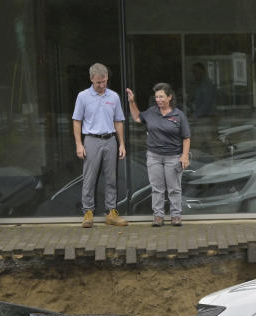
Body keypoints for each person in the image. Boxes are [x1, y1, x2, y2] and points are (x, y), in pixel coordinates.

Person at [126, 83, 191, 226]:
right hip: (154, 156)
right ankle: (158, 216)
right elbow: (137, 118)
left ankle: (176, 216)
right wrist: (132, 101)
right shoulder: (151, 112)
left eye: (161, 96)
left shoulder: (179, 115)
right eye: (156, 97)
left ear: (169, 97)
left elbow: (186, 138)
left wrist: (184, 156)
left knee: (174, 188)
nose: (158, 99)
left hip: (173, 157)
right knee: (157, 188)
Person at [72, 63, 127, 228]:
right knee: (89, 177)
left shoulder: (114, 97)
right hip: (91, 139)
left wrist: (122, 144)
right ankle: (88, 212)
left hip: (110, 140)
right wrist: (79, 144)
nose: (102, 85)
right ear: (91, 79)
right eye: (98, 83)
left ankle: (111, 212)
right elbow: (77, 121)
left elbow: (118, 121)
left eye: (104, 82)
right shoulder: (83, 96)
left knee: (111, 178)